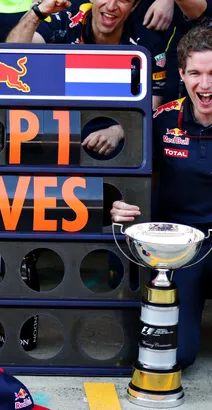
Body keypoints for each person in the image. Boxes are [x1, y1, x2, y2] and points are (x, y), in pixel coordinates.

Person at [111, 26, 212, 369]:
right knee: (175, 356)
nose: (205, 85)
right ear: (181, 74)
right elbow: (130, 180)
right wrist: (120, 205)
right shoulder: (162, 119)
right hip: (181, 248)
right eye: (195, 73)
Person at [6, 0, 168, 109]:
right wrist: (37, 14)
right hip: (61, 122)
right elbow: (12, 57)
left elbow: (154, 101)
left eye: (123, 0)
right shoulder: (65, 19)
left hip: (118, 126)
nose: (111, 6)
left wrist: (119, 131)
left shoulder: (148, 42)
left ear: (134, 6)